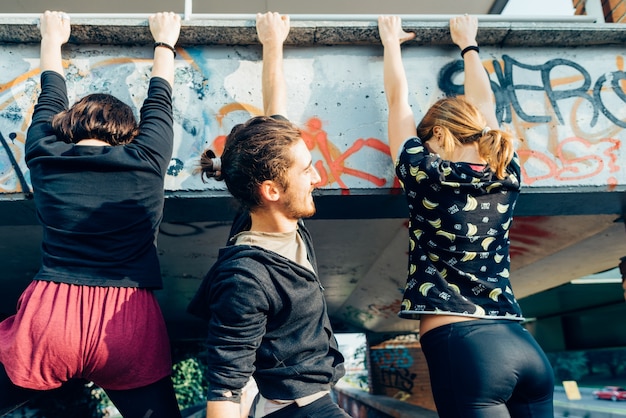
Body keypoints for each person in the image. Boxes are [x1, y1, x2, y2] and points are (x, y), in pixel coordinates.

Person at [0, 10, 182, 418]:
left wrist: (51, 39)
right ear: (129, 132)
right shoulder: (147, 158)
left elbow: (49, 98)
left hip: (51, 319)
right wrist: (164, 41)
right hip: (127, 320)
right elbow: (160, 101)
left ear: (70, 125)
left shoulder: (46, 155)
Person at [378, 14, 554, 417]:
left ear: (439, 135)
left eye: (428, 140)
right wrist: (467, 44)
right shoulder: (505, 169)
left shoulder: (426, 172)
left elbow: (396, 102)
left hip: (465, 347)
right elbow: (486, 106)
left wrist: (391, 43)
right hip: (521, 341)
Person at [187, 12, 348, 418]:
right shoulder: (246, 278)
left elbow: (275, 117)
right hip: (299, 410)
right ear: (272, 191)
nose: (317, 176)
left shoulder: (280, 216)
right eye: (306, 169)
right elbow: (224, 387)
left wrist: (272, 43)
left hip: (315, 399)